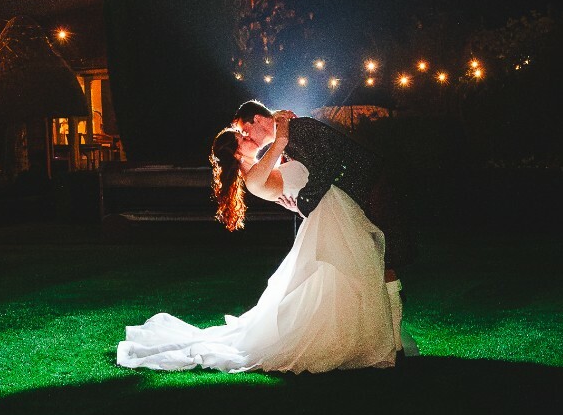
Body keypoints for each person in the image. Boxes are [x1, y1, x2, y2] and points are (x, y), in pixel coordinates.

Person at [116, 107, 401, 374]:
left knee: (360, 275)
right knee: (357, 275)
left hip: (332, 214)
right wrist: (283, 127)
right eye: (241, 137)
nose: (247, 136)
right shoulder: (254, 177)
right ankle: (381, 342)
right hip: (331, 217)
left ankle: (386, 340)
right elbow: (282, 151)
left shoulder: (262, 169)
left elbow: (290, 181)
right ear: (238, 151)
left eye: (244, 131)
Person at [232, 101, 415, 358]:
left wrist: (305, 202)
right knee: (379, 261)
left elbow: (326, 165)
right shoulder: (288, 140)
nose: (247, 136)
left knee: (386, 260)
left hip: (372, 190)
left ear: (258, 120)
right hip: (357, 197)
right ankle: (392, 342)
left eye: (245, 129)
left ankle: (394, 342)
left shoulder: (299, 129)